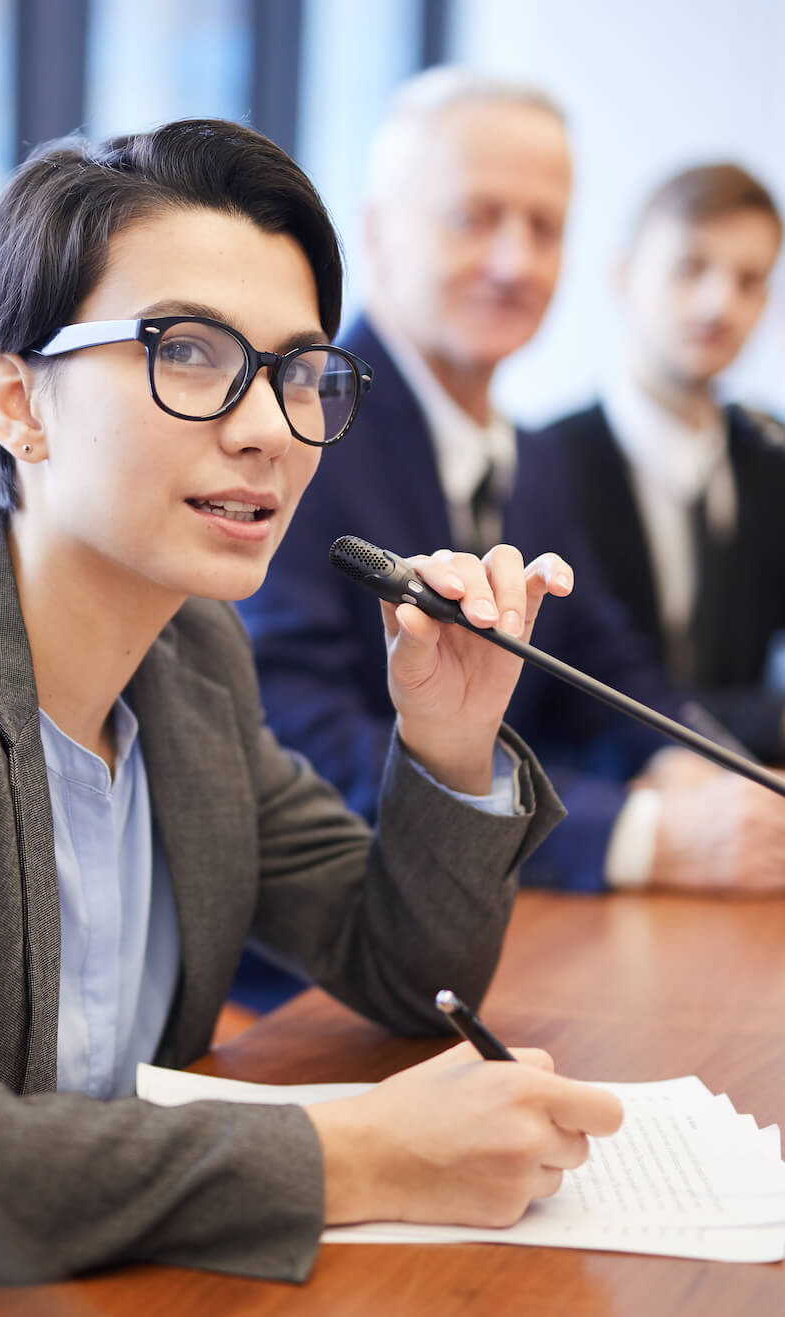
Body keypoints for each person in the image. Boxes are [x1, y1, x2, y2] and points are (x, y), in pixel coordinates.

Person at [0, 119, 622, 1292]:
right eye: (187, 352)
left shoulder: (190, 661)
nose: (268, 428)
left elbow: (401, 968)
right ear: (17, 402)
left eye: (297, 372)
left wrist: (445, 739)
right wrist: (351, 1154)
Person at [240, 68, 785, 895]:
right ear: (379, 232)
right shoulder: (300, 429)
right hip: (327, 952)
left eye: (545, 226)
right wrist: (639, 834)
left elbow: (609, 672)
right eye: (475, 218)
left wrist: (702, 767)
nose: (515, 261)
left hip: (499, 919)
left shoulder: (533, 457)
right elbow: (295, 735)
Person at [534, 163, 785, 767]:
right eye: (690, 267)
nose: (718, 303)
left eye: (750, 280)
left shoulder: (772, 461)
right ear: (623, 275)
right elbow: (565, 695)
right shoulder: (545, 462)